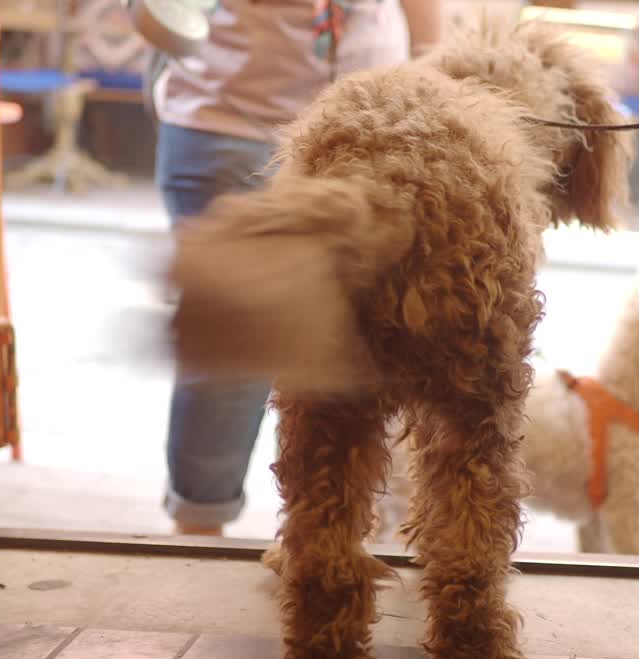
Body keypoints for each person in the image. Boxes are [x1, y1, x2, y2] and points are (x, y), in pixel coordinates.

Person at [151, 0, 444, 536]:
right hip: (233, 118)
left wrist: (435, 76)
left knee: (357, 346)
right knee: (235, 348)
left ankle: (327, 536)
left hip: (372, 125)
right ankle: (199, 535)